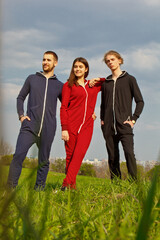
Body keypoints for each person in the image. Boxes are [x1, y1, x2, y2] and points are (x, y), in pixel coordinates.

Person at [7, 51, 63, 190]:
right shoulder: (32, 78)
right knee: (19, 155)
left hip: (48, 128)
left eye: (49, 60)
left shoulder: (60, 86)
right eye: (43, 59)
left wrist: (90, 112)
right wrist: (21, 115)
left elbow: (68, 106)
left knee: (43, 161)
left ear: (55, 63)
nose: (45, 62)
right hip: (30, 125)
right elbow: (20, 97)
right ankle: (10, 188)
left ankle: (39, 189)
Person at [60, 57, 104, 190]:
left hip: (87, 126)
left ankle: (65, 185)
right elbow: (64, 108)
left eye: (80, 67)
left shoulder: (93, 86)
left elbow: (108, 81)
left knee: (78, 155)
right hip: (71, 126)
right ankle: (71, 188)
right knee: (70, 156)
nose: (77, 69)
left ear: (86, 69)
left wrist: (97, 79)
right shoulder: (68, 85)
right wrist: (64, 128)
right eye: (75, 67)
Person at [100, 50, 144, 180]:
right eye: (107, 61)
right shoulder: (106, 83)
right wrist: (103, 120)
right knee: (112, 156)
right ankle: (116, 185)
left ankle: (134, 183)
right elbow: (103, 104)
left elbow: (140, 101)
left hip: (124, 124)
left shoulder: (130, 79)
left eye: (112, 59)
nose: (110, 62)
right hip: (108, 126)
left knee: (129, 153)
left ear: (119, 60)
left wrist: (134, 119)